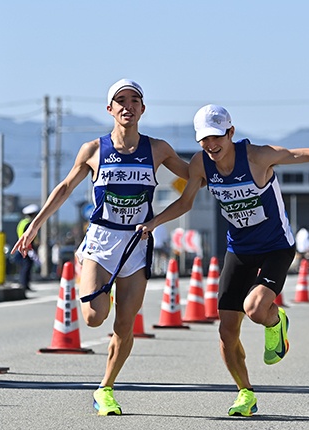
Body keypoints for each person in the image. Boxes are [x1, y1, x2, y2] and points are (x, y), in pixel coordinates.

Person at [137, 104, 309, 417]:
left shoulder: (257, 157)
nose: (211, 145)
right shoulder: (201, 164)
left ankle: (275, 321)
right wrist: (154, 222)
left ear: (231, 132)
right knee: (227, 332)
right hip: (239, 248)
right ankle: (245, 394)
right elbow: (186, 202)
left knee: (255, 309)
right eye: (204, 140)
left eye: (217, 137)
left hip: (276, 246)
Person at [12, 79, 188, 416]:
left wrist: (228, 161)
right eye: (120, 101)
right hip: (102, 239)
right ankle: (94, 277)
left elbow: (195, 176)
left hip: (136, 243)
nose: (128, 106)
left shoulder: (158, 149)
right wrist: (37, 224)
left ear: (142, 109)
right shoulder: (93, 150)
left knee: (125, 324)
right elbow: (64, 187)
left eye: (134, 100)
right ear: (110, 109)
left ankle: (105, 388)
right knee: (94, 318)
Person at [17, 204, 39, 291]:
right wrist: (30, 249)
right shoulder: (29, 224)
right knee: (27, 266)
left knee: (24, 266)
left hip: (21, 247)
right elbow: (28, 237)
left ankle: (24, 283)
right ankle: (25, 284)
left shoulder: (22, 222)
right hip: (27, 248)